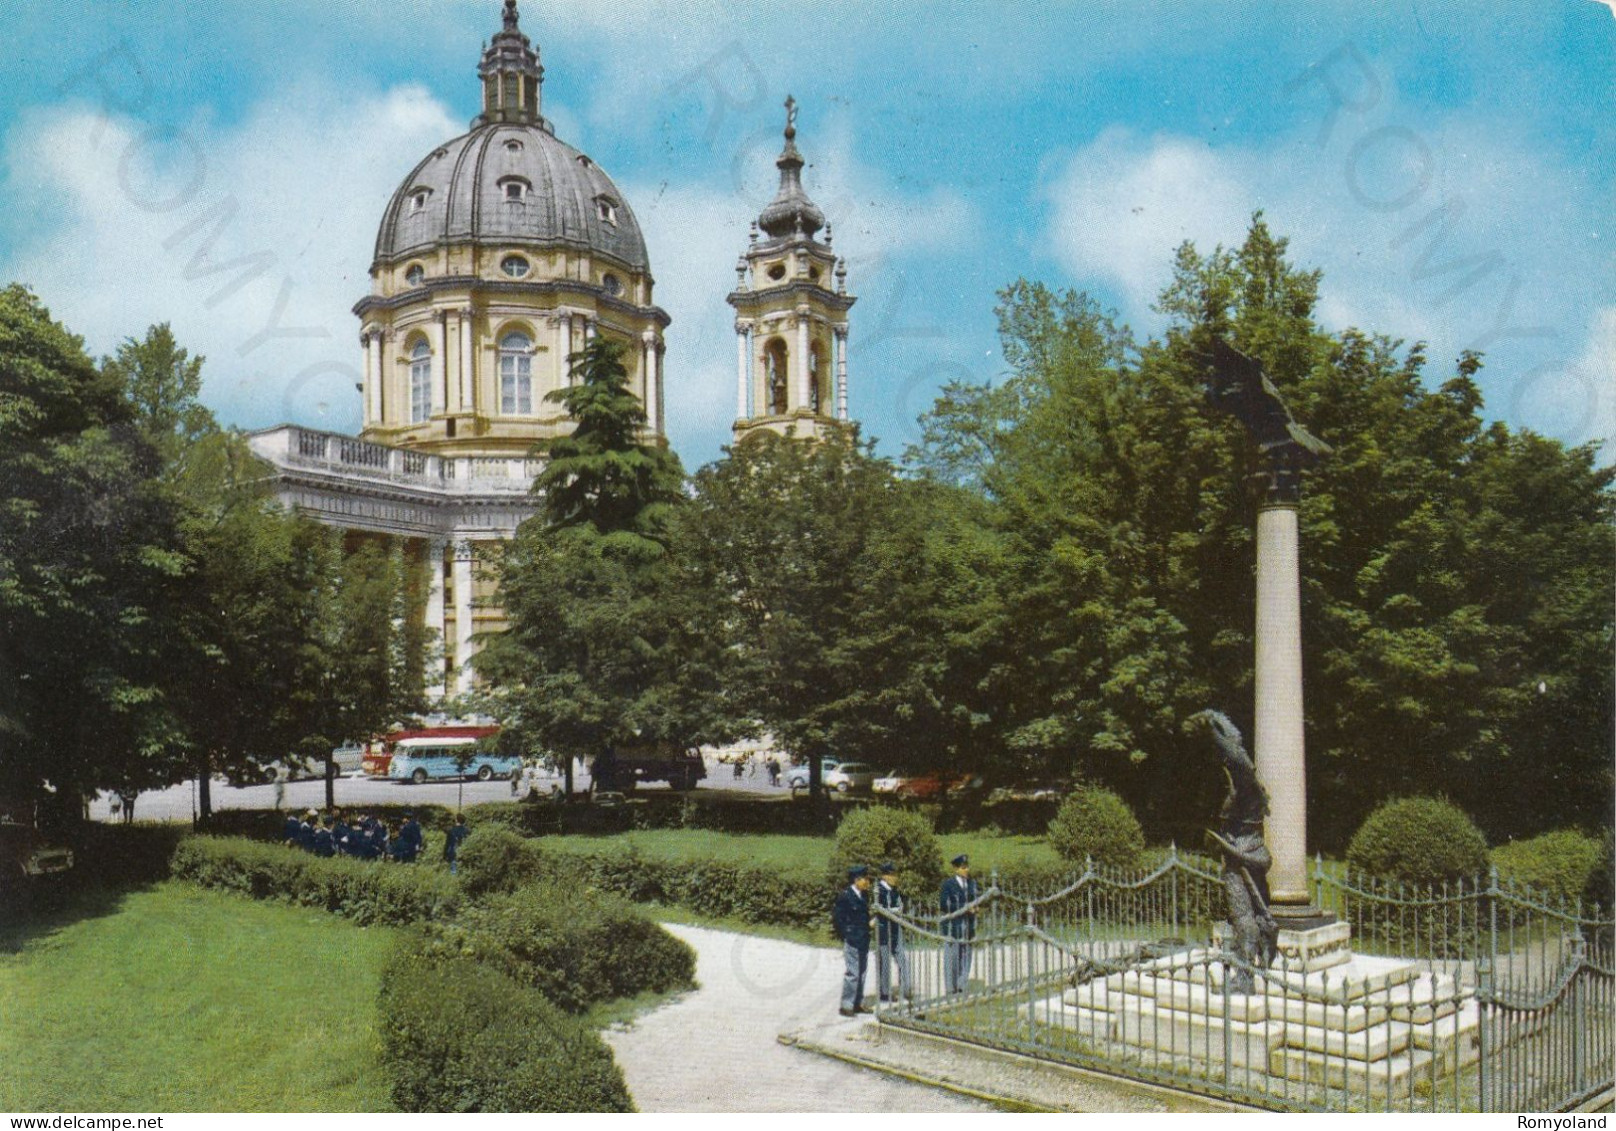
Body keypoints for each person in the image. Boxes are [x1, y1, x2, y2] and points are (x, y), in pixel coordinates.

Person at [832, 864, 874, 1017]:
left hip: (864, 938)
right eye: (865, 879)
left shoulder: (864, 895)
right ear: (856, 880)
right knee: (853, 973)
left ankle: (858, 1003)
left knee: (862, 972)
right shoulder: (845, 896)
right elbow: (838, 919)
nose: (867, 882)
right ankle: (846, 1005)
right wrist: (847, 934)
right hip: (853, 940)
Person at [939, 853, 979, 994]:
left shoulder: (972, 884)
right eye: (963, 867)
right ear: (956, 869)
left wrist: (976, 907)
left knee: (966, 955)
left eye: (967, 867)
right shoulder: (948, 885)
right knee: (952, 957)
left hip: (968, 925)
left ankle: (962, 984)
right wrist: (965, 907)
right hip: (953, 926)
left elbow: (976, 899)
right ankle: (951, 988)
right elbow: (944, 904)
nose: (966, 870)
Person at [874, 861, 912, 1003]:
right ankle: (884, 993)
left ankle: (906, 989)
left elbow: (901, 905)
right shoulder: (879, 890)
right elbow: (880, 910)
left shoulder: (895, 891)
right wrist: (895, 910)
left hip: (896, 930)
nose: (896, 878)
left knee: (903, 960)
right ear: (885, 876)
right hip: (884, 932)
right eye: (892, 875)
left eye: (896, 875)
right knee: (884, 964)